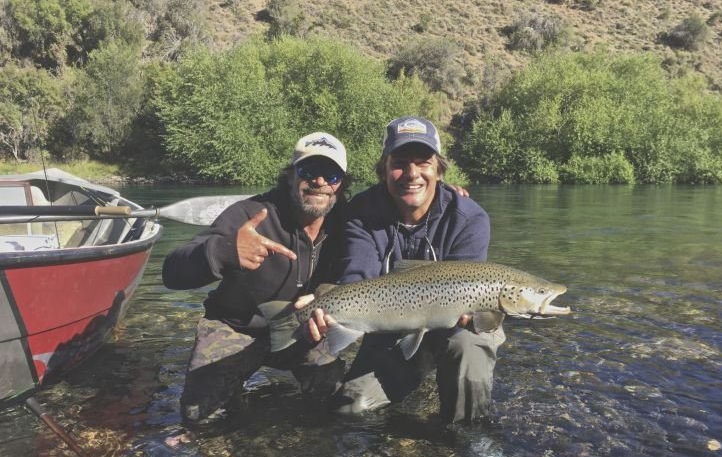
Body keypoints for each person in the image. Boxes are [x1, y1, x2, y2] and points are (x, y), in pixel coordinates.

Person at [162, 132, 349, 423]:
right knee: (198, 418)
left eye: (332, 174)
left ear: (342, 184)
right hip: (236, 328)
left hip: (304, 332)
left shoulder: (348, 224)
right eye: (309, 171)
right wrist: (223, 251)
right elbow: (172, 273)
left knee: (338, 402)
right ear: (290, 176)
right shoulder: (251, 215)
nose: (320, 182)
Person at [326, 116, 501, 423]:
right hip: (392, 326)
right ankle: (415, 371)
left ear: (439, 169)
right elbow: (358, 275)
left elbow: (470, 288)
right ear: (383, 169)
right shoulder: (361, 213)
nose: (411, 174)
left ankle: (472, 438)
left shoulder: (470, 218)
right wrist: (327, 310)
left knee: (469, 343)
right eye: (400, 162)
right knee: (349, 407)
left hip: (456, 327)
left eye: (423, 162)